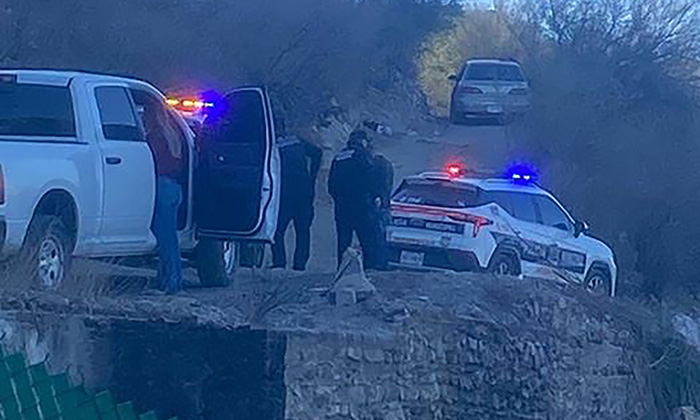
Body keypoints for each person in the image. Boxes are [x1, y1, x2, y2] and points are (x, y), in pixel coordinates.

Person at [142, 103, 184, 294]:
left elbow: (154, 163)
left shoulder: (156, 137)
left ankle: (170, 283)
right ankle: (170, 280)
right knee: (171, 239)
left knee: (165, 239)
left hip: (162, 187)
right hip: (174, 187)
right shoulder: (172, 135)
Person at [271, 117, 322, 271]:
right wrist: (312, 176)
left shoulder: (272, 146)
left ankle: (279, 263)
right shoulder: (296, 141)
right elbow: (317, 153)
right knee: (303, 230)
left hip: (284, 194)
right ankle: (299, 265)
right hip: (304, 191)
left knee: (277, 230)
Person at [328, 129, 381, 269]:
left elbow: (331, 185)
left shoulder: (338, 157)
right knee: (367, 239)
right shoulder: (363, 155)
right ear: (363, 141)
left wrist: (339, 199)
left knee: (343, 242)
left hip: (342, 207)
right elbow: (371, 179)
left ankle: (341, 270)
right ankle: (369, 270)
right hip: (361, 205)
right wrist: (375, 196)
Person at [371, 153, 394, 270]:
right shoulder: (387, 166)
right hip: (382, 206)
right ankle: (380, 262)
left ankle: (377, 262)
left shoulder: (374, 165)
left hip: (375, 206)